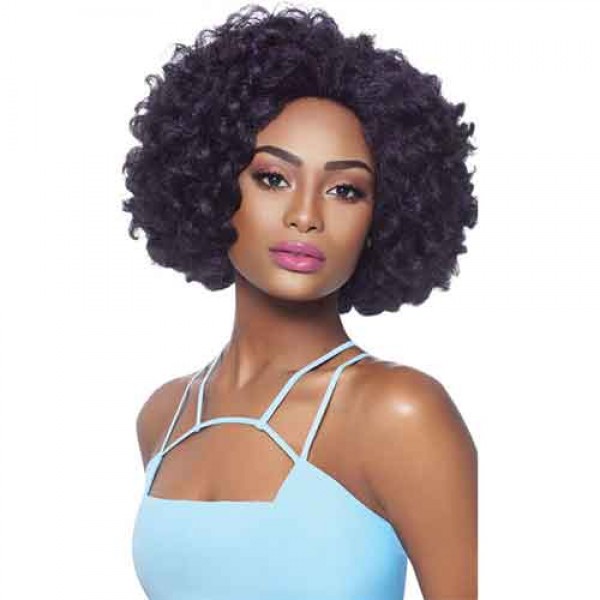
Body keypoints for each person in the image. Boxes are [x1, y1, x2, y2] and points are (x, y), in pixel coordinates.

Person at [123, 4, 478, 599]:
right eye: (272, 178)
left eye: (345, 190)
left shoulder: (400, 414)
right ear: (213, 184)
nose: (305, 215)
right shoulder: (165, 416)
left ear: (382, 216)